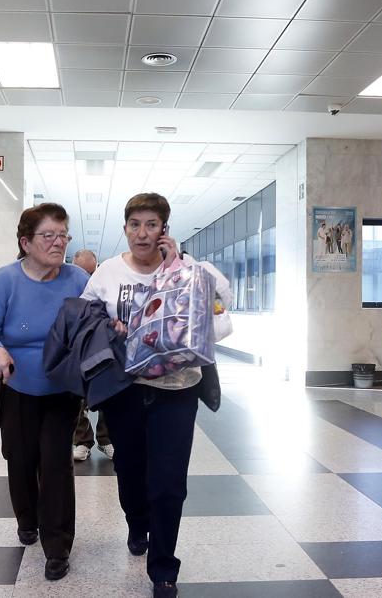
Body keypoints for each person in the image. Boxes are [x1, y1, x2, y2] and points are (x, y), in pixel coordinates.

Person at [80, 192, 223, 598]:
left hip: (177, 390)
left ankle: (163, 568)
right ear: (125, 229)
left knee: (169, 480)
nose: (142, 234)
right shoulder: (107, 272)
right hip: (125, 390)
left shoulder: (187, 269)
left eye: (151, 225)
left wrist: (177, 267)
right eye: (135, 225)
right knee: (130, 472)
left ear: (164, 230)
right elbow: (87, 320)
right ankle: (136, 521)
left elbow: (211, 313)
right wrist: (110, 330)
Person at [0, 203, 89, 582]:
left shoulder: (76, 280)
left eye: (64, 235)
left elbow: (94, 322)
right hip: (17, 384)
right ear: (25, 242)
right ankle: (27, 520)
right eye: (49, 235)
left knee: (55, 462)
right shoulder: (5, 280)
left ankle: (57, 547)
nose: (59, 243)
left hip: (61, 388)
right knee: (20, 458)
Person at [70, 249, 113, 463]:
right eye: (83, 271)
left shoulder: (104, 282)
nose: (87, 277)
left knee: (107, 393)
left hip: (101, 346)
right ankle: (82, 441)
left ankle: (106, 440)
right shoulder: (68, 282)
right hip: (76, 348)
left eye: (91, 271)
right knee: (78, 397)